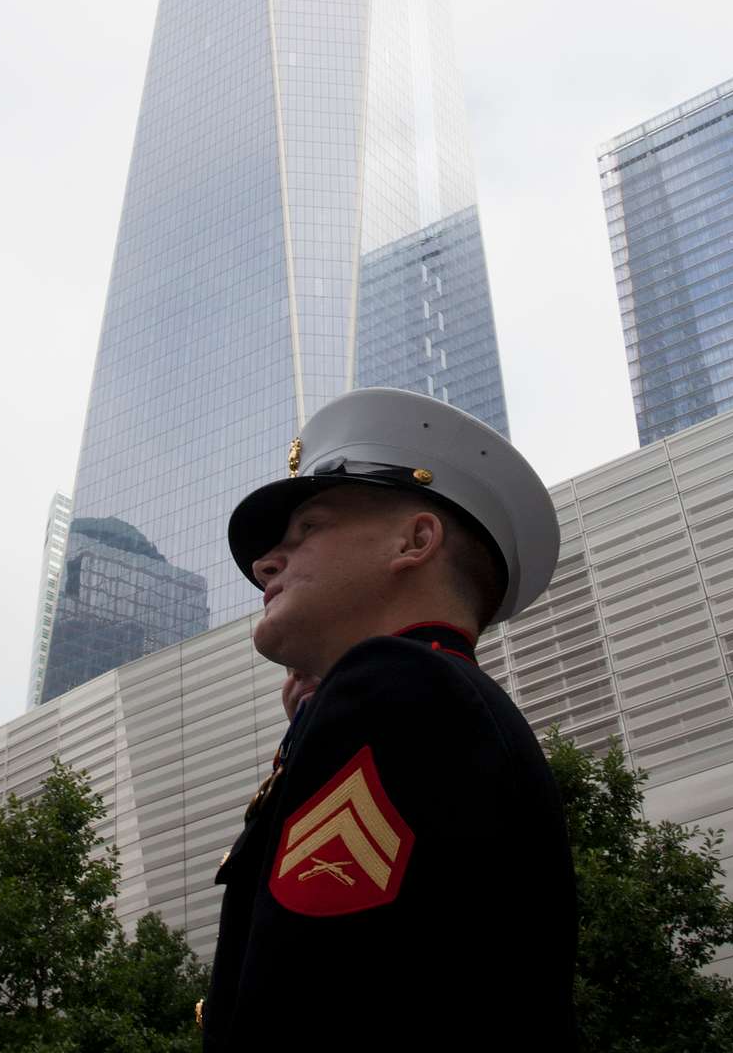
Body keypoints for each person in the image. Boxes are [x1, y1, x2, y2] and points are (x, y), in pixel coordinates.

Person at [201, 388, 577, 1051]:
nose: (266, 562)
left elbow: (311, 1001)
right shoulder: (418, 700)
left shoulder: (397, 687)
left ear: (415, 540)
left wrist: (337, 712)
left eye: (307, 528)